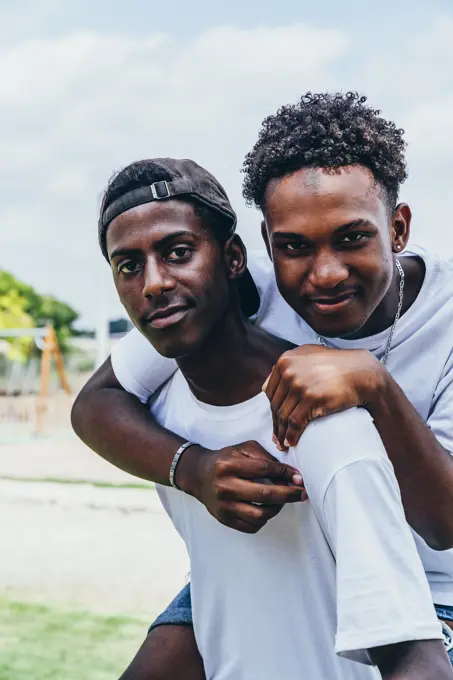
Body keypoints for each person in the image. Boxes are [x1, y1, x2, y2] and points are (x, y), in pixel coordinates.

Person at [72, 93, 453, 676]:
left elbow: (445, 525)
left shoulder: (446, 321)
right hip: (293, 550)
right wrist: (194, 468)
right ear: (261, 246)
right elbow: (98, 403)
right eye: (294, 246)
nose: (323, 273)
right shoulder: (234, 284)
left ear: (397, 228)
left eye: (352, 238)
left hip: (432, 585)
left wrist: (375, 385)